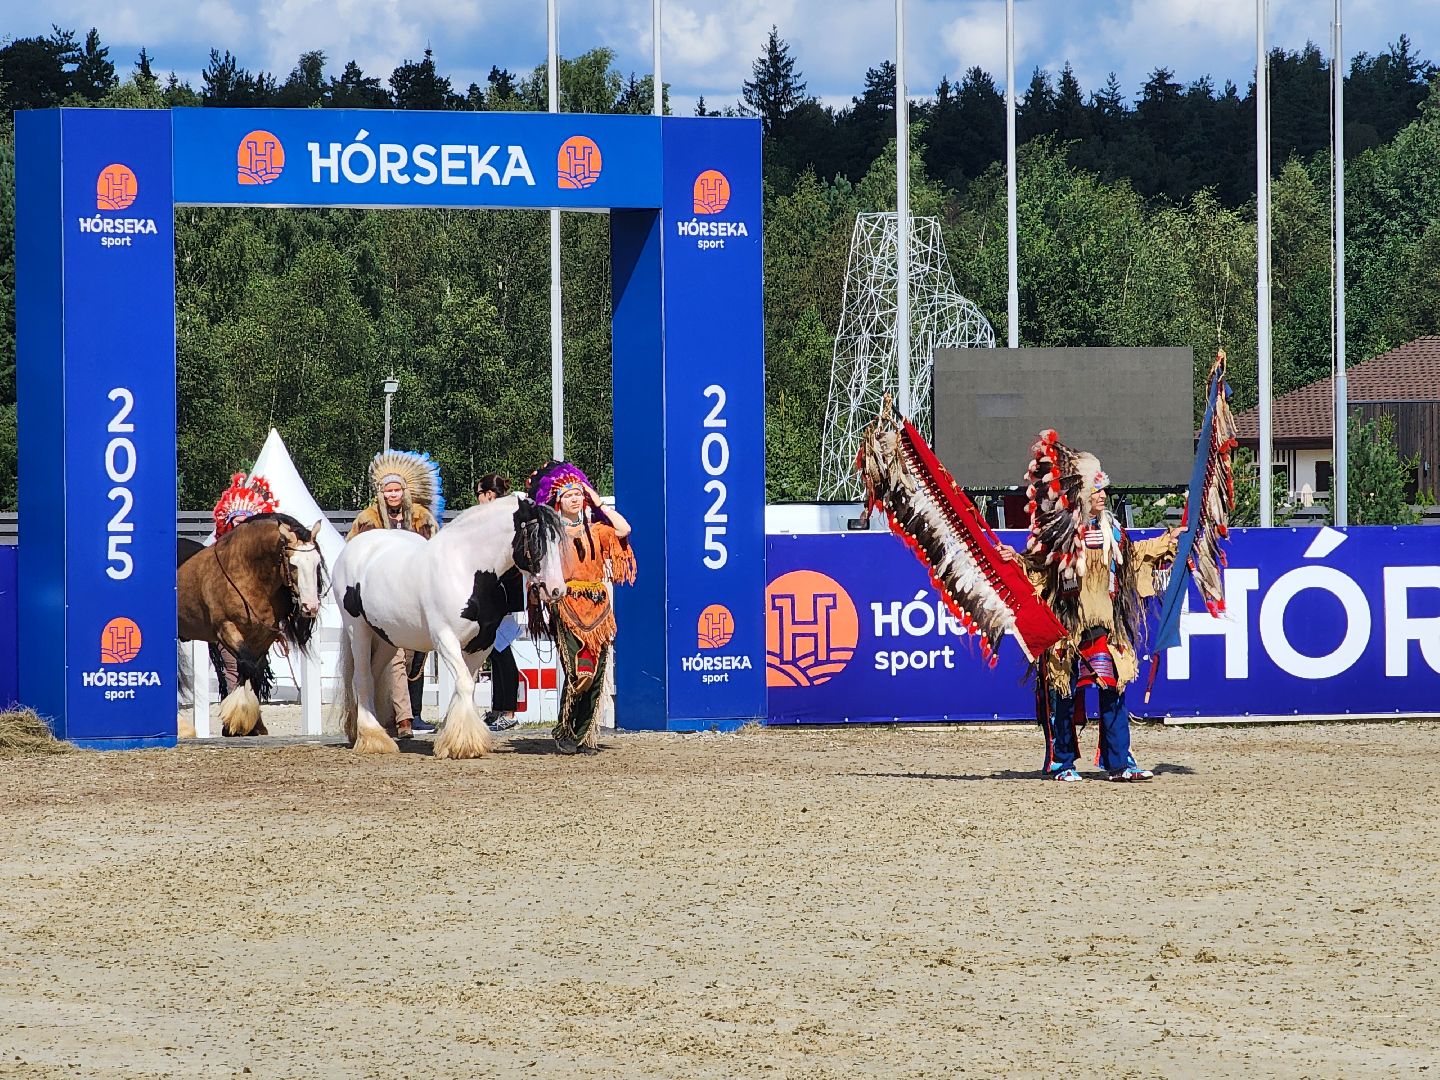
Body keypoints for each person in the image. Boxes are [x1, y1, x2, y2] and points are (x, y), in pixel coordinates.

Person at [997, 431, 1179, 783]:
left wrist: (1167, 544)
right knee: (1063, 693)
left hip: (1104, 626)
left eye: (1104, 490)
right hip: (1067, 628)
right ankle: (1061, 762)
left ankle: (1118, 762)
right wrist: (1014, 560)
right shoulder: (1062, 533)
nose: (1103, 496)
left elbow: (1134, 557)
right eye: (1096, 490)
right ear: (1081, 494)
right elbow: (1037, 565)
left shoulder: (1113, 532)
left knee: (1113, 689)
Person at [526, 460, 636, 755]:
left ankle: (581, 735)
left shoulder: (598, 530)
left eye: (579, 494)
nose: (575, 499)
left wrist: (599, 503)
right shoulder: (548, 532)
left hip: (599, 608)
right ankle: (565, 729)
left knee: (597, 675)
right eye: (568, 495)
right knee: (579, 672)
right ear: (558, 502)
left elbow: (624, 529)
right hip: (568, 605)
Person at [347, 450, 442, 739]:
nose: (392, 495)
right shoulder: (367, 519)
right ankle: (403, 720)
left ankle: (412, 713)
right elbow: (351, 553)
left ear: (404, 491)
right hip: (382, 599)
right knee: (396, 658)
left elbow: (436, 551)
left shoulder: (422, 518)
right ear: (381, 492)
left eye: (397, 489)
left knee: (417, 660)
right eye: (388, 490)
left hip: (416, 595)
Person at [209, 473, 279, 699]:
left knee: (252, 670)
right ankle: (235, 716)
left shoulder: (263, 564)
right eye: (237, 522)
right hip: (227, 622)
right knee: (232, 669)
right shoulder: (216, 556)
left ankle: (249, 715)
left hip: (256, 625)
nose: (241, 528)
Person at [475, 473, 523, 731]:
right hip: (494, 592)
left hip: (502, 592)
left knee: (502, 652)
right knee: (495, 652)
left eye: (479, 494)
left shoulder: (503, 518)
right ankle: (498, 708)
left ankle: (509, 710)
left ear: (488, 495)